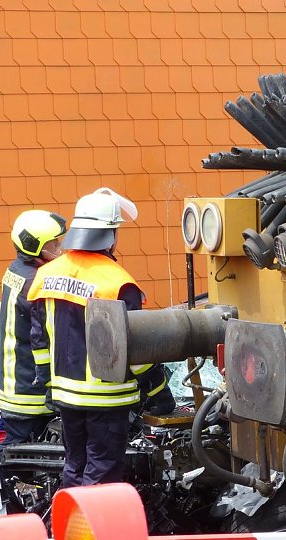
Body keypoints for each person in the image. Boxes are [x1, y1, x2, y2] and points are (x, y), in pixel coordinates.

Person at [28, 188, 173, 488]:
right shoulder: (118, 283)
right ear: (112, 234)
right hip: (106, 400)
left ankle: (65, 529)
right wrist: (159, 391)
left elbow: (40, 337)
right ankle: (89, 533)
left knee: (75, 466)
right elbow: (137, 351)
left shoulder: (46, 275)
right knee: (101, 474)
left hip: (65, 396)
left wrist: (47, 382)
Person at [0, 209, 67, 461]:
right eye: (53, 244)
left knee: (18, 451)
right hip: (29, 389)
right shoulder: (36, 281)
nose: (59, 249)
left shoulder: (18, 270)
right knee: (14, 456)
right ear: (33, 246)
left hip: (16, 381)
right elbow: (45, 336)